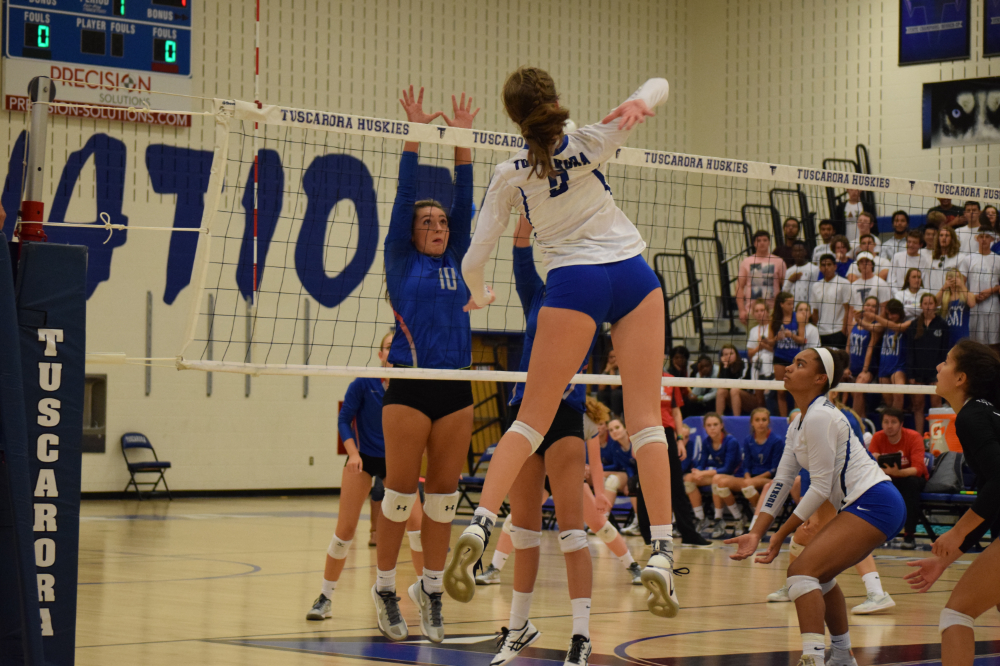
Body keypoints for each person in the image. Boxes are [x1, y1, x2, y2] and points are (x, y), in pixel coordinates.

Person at [451, 70, 680, 626]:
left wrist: (479, 295)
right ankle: (664, 553)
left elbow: (474, 255)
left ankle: (482, 523)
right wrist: (638, 103)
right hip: (633, 274)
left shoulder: (510, 175)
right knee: (648, 421)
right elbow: (659, 84)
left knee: (529, 420)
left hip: (575, 280)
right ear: (555, 103)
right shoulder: (592, 140)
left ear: (514, 118)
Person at [374, 87, 479, 643]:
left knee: (442, 499)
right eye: (429, 222)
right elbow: (404, 193)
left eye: (442, 222)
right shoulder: (399, 258)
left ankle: (432, 592)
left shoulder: (460, 256)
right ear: (413, 233)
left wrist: (462, 137)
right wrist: (416, 130)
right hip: (411, 387)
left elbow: (467, 200)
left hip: (456, 389)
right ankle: (386, 586)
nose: (439, 226)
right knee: (398, 497)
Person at [728, 347, 905, 666]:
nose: (789, 369)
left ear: (820, 378)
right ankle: (840, 656)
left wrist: (780, 534)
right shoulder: (799, 424)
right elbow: (782, 481)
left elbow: (821, 487)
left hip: (874, 501)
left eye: (799, 364)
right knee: (819, 577)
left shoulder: (822, 415)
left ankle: (811, 657)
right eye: (792, 363)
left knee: (799, 573)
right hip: (867, 503)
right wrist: (756, 532)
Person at [486, 216, 604, 665]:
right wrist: (527, 205)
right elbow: (519, 253)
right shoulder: (536, 293)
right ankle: (518, 627)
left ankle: (581, 636)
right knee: (524, 531)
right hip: (523, 412)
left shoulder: (592, 298)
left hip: (566, 413)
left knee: (573, 532)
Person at [307, 332, 425, 621]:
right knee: (345, 530)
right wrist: (354, 454)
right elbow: (344, 419)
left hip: (398, 461)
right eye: (387, 348)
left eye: (395, 349)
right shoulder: (363, 382)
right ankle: (325, 597)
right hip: (364, 459)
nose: (391, 354)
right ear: (380, 354)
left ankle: (427, 591)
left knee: (418, 526)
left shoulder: (411, 386)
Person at [904, 341, 1000, 666]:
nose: (937, 368)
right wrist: (945, 559)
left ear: (960, 378)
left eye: (945, 362)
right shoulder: (986, 412)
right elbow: (992, 500)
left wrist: (956, 533)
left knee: (955, 615)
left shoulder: (972, 417)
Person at [711, 407, 784, 538]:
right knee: (721, 483)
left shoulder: (776, 440)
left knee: (747, 486)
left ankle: (761, 522)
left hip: (768, 479)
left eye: (764, 420)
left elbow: (774, 469)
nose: (761, 423)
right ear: (752, 423)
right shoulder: (748, 440)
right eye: (757, 420)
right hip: (749, 479)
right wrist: (747, 476)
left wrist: (751, 480)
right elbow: (746, 466)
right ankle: (739, 518)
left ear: (768, 422)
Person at [869, 407, 929, 550]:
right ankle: (874, 535)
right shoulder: (877, 437)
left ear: (901, 424)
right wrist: (874, 459)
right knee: (870, 487)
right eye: (886, 422)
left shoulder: (914, 437)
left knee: (911, 485)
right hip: (886, 479)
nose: (889, 426)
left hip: (910, 479)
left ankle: (909, 535)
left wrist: (896, 472)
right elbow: (867, 466)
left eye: (893, 422)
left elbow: (918, 469)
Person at [684, 412, 741, 532]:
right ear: (704, 428)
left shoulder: (731, 441)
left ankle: (719, 518)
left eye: (715, 424)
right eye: (709, 425)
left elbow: (728, 469)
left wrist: (703, 473)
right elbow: (701, 463)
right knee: (689, 478)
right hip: (719, 476)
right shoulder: (707, 442)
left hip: (735, 477)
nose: (712, 428)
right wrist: (697, 471)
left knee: (717, 479)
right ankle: (700, 518)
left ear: (721, 425)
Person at [907, 293, 948, 435]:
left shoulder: (942, 325)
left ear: (935, 306)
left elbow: (945, 352)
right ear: (921, 306)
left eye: (931, 304)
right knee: (918, 406)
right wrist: (911, 373)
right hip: (918, 371)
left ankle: (937, 439)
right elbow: (910, 351)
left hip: (935, 373)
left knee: (936, 404)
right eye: (925, 304)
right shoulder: (914, 325)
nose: (928, 307)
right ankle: (918, 437)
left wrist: (942, 373)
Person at [737, 229, 787, 326]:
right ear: (754, 244)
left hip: (773, 310)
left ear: (769, 242)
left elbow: (785, 286)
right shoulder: (747, 262)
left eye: (764, 240)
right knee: (754, 339)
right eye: (758, 241)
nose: (762, 243)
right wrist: (742, 310)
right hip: (753, 311)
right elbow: (739, 287)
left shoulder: (778, 261)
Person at [769, 291, 806, 417]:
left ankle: (797, 417)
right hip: (780, 357)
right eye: (789, 304)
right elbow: (769, 342)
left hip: (795, 358)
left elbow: (802, 340)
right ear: (781, 305)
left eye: (792, 303)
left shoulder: (799, 317)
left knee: (796, 389)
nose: (792, 306)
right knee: (781, 391)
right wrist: (777, 338)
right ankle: (784, 418)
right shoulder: (774, 319)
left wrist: (792, 336)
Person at [966, 224, 1000, 351]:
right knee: (975, 346)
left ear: (992, 239)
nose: (984, 239)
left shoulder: (998, 260)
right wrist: (972, 297)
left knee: (994, 345)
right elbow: (961, 285)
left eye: (987, 237)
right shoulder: (968, 259)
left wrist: (991, 291)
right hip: (974, 308)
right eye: (981, 236)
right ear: (976, 238)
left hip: (993, 308)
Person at [849, 296, 882, 422]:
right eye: (868, 305)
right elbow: (848, 345)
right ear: (863, 307)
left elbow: (870, 349)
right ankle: (864, 428)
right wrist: (846, 366)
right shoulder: (853, 323)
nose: (870, 308)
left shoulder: (876, 326)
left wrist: (865, 370)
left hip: (868, 368)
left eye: (874, 306)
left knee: (858, 391)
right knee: (858, 397)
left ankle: (854, 424)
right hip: (853, 366)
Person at [873, 299, 909, 412]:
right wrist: (859, 319)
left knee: (898, 395)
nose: (890, 316)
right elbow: (871, 327)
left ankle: (899, 425)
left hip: (898, 366)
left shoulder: (906, 324)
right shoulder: (884, 325)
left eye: (893, 313)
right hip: (884, 366)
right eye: (888, 314)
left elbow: (896, 327)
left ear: (899, 312)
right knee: (889, 404)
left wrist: (875, 316)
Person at [810, 254, 852, 349]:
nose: (826, 268)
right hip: (821, 333)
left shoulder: (844, 283)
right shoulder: (816, 286)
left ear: (835, 266)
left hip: (838, 331)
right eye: (823, 265)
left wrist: (844, 330)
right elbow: (815, 311)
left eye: (829, 264)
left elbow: (848, 309)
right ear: (820, 268)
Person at [716, 342, 759, 416]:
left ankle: (736, 419)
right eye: (726, 354)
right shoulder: (724, 366)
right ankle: (717, 418)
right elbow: (721, 383)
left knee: (734, 390)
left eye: (731, 353)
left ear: (736, 354)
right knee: (721, 391)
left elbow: (743, 380)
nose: (729, 356)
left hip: (749, 397)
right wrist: (725, 367)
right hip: (733, 398)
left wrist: (729, 385)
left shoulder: (744, 362)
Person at [938, 270, 977, 348]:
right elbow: (934, 303)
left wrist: (962, 285)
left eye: (957, 277)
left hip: (961, 335)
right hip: (946, 334)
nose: (954, 280)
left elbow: (972, 304)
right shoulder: (945, 296)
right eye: (951, 278)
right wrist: (943, 288)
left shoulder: (966, 294)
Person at [928, 226, 969, 293]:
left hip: (951, 296)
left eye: (947, 235)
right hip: (934, 296)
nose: (943, 238)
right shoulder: (932, 257)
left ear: (952, 239)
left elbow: (962, 282)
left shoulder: (960, 258)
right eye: (941, 235)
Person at [783, 241, 819, 305]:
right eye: (795, 251)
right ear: (792, 253)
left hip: (810, 307)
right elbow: (784, 292)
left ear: (805, 252)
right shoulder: (789, 271)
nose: (797, 253)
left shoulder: (815, 269)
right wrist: (790, 281)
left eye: (800, 251)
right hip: (794, 308)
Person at [596, 348, 623, 417]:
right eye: (611, 357)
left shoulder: (623, 369)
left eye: (616, 356)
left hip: (621, 393)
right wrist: (607, 370)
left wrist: (612, 369)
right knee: (601, 394)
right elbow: (601, 387)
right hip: (610, 393)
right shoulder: (606, 368)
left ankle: (616, 418)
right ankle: (605, 417)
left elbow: (613, 386)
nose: (614, 359)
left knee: (615, 394)